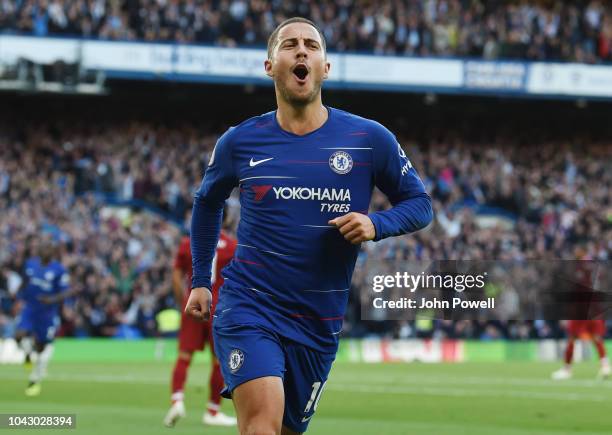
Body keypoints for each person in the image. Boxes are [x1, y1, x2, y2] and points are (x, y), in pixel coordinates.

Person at [185, 17, 432, 435]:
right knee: (260, 425)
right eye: (290, 44)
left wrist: (376, 223)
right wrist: (201, 279)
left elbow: (420, 204)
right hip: (250, 306)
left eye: (312, 45)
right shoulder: (240, 142)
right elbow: (206, 202)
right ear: (269, 66)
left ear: (325, 67)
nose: (302, 51)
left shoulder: (368, 139)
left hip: (318, 323)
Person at [165, 210, 238, 427]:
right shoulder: (233, 246)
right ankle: (212, 411)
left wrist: (183, 301)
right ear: (226, 220)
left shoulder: (189, 242)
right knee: (219, 361)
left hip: (194, 301)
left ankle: (177, 400)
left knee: (184, 356)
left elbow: (176, 276)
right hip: (220, 307)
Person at [14, 241, 73, 396]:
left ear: (52, 252)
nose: (44, 250)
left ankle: (35, 379)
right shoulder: (30, 264)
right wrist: (18, 294)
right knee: (18, 335)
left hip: (46, 313)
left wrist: (52, 300)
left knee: (41, 346)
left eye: (47, 248)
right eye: (42, 247)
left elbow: (66, 292)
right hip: (30, 309)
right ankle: (27, 353)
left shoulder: (59, 270)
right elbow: (25, 282)